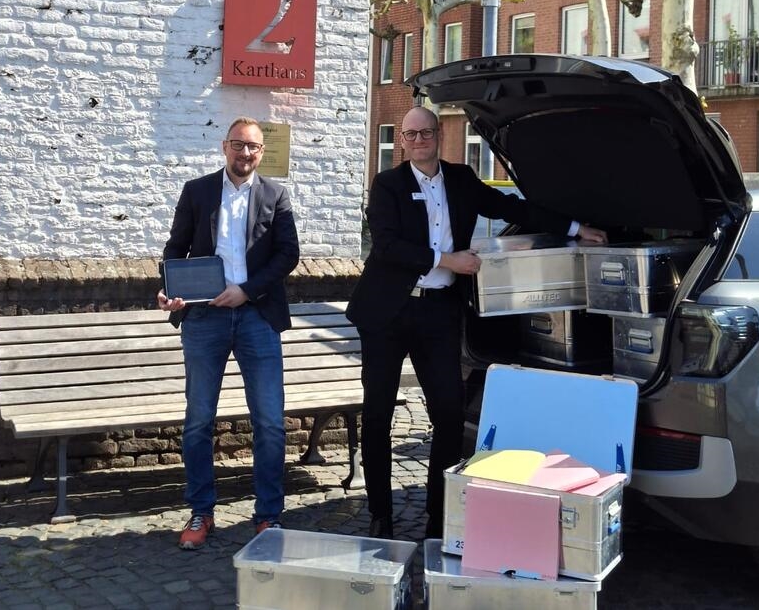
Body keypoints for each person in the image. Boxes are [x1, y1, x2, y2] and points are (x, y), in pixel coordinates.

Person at [346, 105, 607, 540]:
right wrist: (448, 260)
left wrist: (576, 227)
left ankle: (437, 514)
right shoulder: (387, 184)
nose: (418, 140)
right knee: (378, 416)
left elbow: (511, 207)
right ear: (404, 142)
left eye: (426, 132)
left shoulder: (462, 179)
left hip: (439, 312)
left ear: (438, 136)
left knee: (448, 414)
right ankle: (381, 514)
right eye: (410, 135)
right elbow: (388, 246)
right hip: (388, 312)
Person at [158, 116, 300, 550]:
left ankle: (268, 516)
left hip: (257, 315)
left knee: (271, 423)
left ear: (262, 153)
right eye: (238, 145)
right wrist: (171, 290)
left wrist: (246, 291)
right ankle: (201, 511)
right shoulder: (197, 191)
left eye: (253, 147)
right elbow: (175, 249)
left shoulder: (276, 195)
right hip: (203, 319)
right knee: (199, 420)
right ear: (225, 147)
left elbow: (288, 255)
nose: (245, 154)